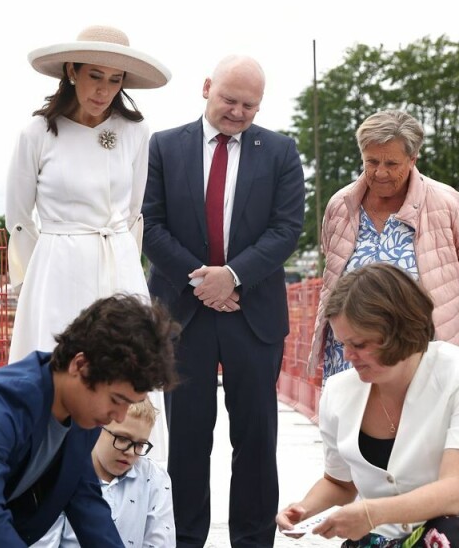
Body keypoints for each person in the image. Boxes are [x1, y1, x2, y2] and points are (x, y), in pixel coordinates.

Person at [143, 54, 305, 547]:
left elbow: (286, 229)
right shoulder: (164, 146)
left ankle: (254, 541)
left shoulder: (280, 151)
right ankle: (185, 538)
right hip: (183, 317)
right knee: (188, 440)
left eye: (249, 106)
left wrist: (233, 277)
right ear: (207, 88)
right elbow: (150, 223)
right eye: (229, 100)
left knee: (255, 441)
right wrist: (204, 283)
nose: (237, 112)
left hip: (252, 314)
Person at [6, 24, 172, 462]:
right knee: (58, 369)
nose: (103, 89)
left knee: (130, 364)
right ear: (72, 71)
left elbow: (134, 210)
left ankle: (130, 482)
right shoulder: (37, 133)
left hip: (117, 260)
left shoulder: (137, 133)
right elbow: (19, 218)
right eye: (95, 75)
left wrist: (125, 263)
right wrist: (32, 283)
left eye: (115, 79)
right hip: (56, 266)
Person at [276, 263, 459, 547]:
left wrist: (371, 513)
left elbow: (455, 493)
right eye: (343, 343)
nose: (347, 355)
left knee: (448, 536)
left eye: (359, 344)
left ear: (398, 329)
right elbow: (340, 483)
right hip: (382, 539)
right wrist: (304, 509)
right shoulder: (338, 391)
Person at [0, 294, 179, 547]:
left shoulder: (82, 416)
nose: (118, 416)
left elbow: (87, 505)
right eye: (117, 400)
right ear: (80, 366)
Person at [311, 109, 459, 382]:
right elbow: (331, 266)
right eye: (371, 162)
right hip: (348, 357)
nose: (380, 173)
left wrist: (437, 309)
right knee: (353, 423)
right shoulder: (340, 206)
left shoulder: (447, 203)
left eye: (392, 164)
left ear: (413, 159)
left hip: (420, 353)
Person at [29, 399, 175, 548]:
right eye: (122, 439)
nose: (131, 452)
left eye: (140, 445)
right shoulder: (66, 470)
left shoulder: (154, 477)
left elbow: (161, 543)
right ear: (98, 427)